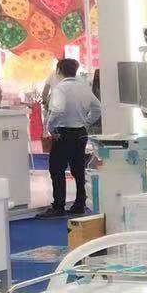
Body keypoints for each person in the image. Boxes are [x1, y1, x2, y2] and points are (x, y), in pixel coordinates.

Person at [41, 59, 100, 218]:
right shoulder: (84, 87)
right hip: (80, 133)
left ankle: (59, 206)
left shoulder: (60, 89)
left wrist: (51, 128)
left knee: (57, 169)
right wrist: (86, 122)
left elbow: (57, 110)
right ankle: (80, 204)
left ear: (59, 71)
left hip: (63, 133)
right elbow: (97, 108)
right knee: (78, 169)